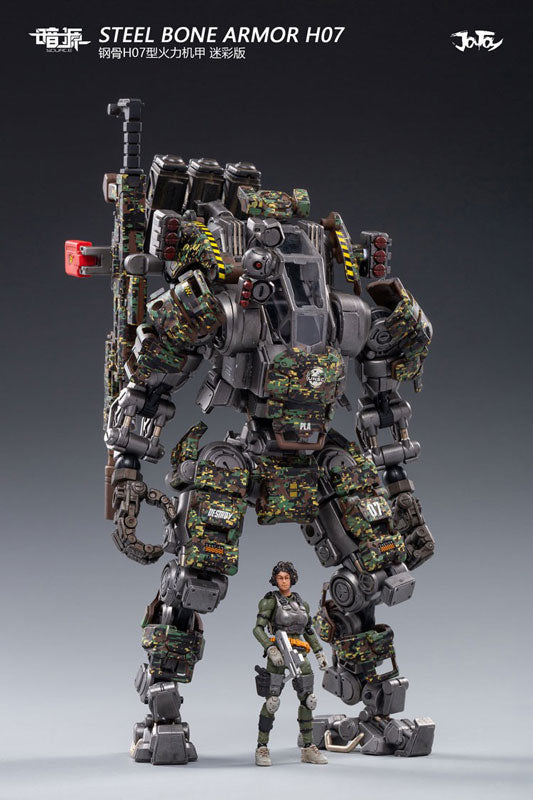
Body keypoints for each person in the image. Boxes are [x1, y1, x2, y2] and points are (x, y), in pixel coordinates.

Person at [253, 561, 328, 766]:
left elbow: (309, 631)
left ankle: (308, 747)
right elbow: (258, 629)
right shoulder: (270, 601)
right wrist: (270, 648)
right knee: (272, 701)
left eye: (286, 577)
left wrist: (319, 652)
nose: (284, 581)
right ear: (275, 580)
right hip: (278, 652)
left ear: (292, 579)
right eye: (280, 578)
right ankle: (262, 747)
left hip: (299, 654)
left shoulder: (302, 604)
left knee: (309, 700)